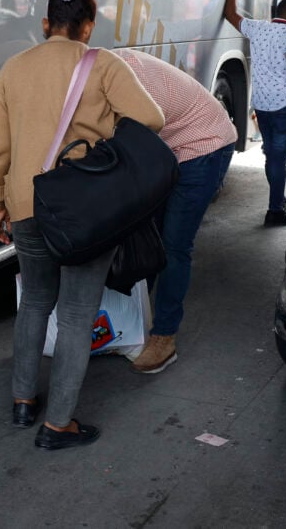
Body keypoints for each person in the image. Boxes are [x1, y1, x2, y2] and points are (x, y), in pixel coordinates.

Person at [0, 0, 164, 450]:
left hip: (26, 203)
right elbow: (151, 120)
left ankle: (23, 402)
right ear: (87, 28)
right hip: (84, 210)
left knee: (35, 303)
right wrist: (102, 133)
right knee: (78, 313)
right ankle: (58, 424)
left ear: (46, 24)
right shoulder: (103, 64)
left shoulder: (13, 68)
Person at [115, 50, 237, 374]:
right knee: (148, 236)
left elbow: (127, 154)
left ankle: (164, 337)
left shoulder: (126, 84)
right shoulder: (103, 71)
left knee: (173, 245)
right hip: (170, 149)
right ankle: (133, 326)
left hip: (205, 147)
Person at [224, 0, 286, 227]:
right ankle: (274, 210)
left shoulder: (258, 28)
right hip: (284, 106)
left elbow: (229, 14)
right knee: (279, 159)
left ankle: (278, 199)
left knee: (273, 156)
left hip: (261, 105)